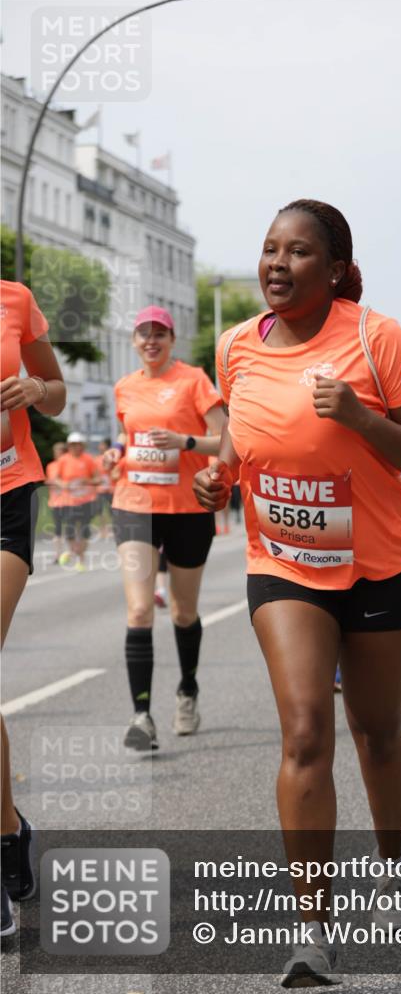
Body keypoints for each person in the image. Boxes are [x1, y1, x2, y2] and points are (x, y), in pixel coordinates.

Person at [193, 199, 401, 987]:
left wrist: (364, 421)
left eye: (297, 252)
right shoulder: (235, 344)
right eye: (269, 249)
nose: (276, 263)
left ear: (334, 269)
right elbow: (239, 434)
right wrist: (218, 474)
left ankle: (393, 863)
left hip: (381, 564)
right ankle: (311, 929)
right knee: (304, 731)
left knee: (375, 734)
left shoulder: (377, 338)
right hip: (285, 563)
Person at [104, 306, 224, 751]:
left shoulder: (193, 380)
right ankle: (141, 715)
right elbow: (128, 435)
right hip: (133, 504)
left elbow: (225, 439)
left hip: (189, 508)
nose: (151, 340)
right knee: (138, 611)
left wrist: (185, 442)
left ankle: (188, 690)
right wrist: (116, 453)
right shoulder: (124, 387)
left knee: (182, 611)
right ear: (134, 341)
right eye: (143, 334)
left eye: (160, 333)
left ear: (172, 339)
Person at [0, 279, 66, 936]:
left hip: (5, 497)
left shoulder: (13, 300)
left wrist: (33, 391)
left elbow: (58, 390)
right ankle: (9, 831)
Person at [51, 432, 100, 571]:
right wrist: (63, 485)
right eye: (72, 445)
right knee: (70, 531)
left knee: (84, 530)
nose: (76, 447)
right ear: (69, 446)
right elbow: (56, 478)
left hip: (87, 500)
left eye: (78, 445)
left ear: (82, 445)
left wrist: (88, 481)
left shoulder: (89, 459)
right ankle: (74, 552)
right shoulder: (63, 460)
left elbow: (98, 479)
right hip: (69, 501)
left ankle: (81, 559)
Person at [44, 441, 67, 563]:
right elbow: (48, 481)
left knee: (71, 528)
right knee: (57, 529)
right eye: (56, 452)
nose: (57, 454)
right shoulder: (51, 466)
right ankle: (58, 554)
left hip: (69, 501)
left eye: (60, 452)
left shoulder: (68, 465)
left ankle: (74, 552)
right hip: (55, 502)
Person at [94, 438, 115, 538]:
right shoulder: (96, 459)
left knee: (112, 511)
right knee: (100, 511)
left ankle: (114, 529)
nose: (99, 447)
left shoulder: (112, 457)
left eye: (101, 445)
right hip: (100, 489)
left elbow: (110, 470)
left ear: (107, 446)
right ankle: (103, 530)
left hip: (111, 489)